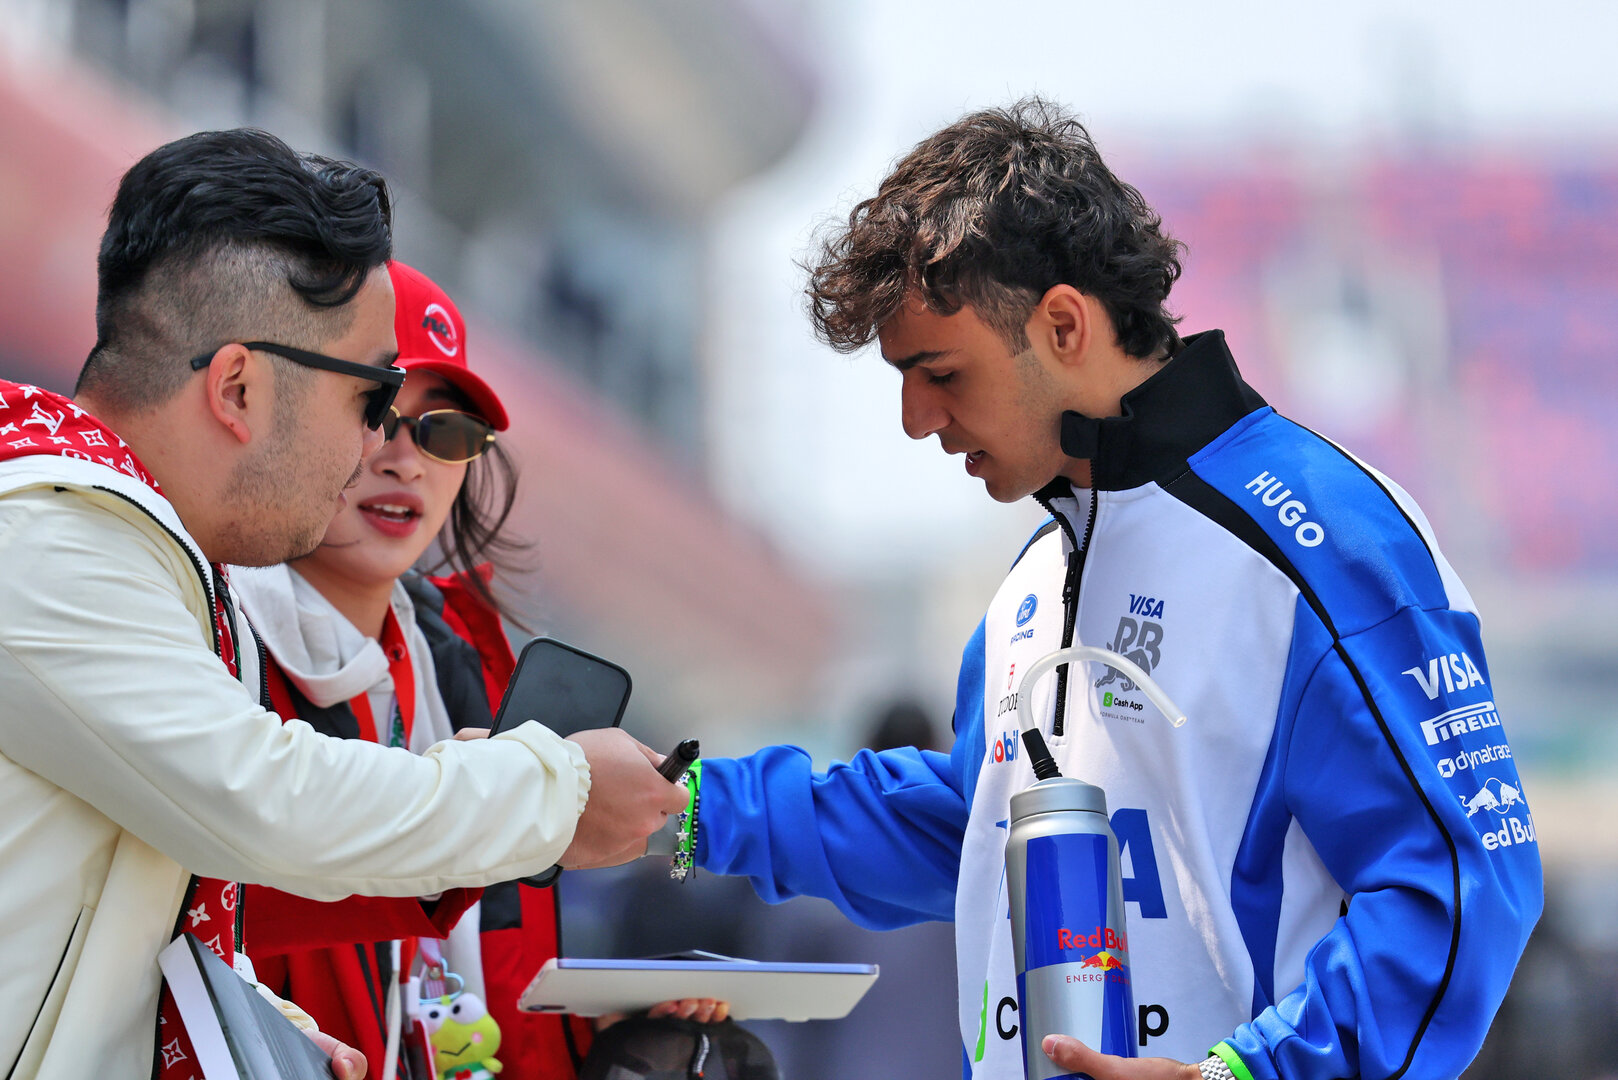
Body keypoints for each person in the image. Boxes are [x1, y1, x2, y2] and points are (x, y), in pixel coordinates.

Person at [681, 99, 1544, 1080]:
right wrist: (691, 808)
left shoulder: (1321, 536)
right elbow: (972, 830)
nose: (917, 419)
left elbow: (1464, 884)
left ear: (1060, 324)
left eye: (938, 372)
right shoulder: (1032, 580)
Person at [0, 129, 687, 1080]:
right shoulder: (51, 538)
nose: (383, 447)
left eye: (442, 428)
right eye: (371, 400)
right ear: (238, 387)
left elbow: (143, 884)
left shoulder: (130, 549)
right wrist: (555, 789)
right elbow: (267, 802)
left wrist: (252, 1020)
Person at [234, 259, 725, 1078]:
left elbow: (478, 999)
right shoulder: (213, 638)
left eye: (447, 431)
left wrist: (600, 1036)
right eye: (378, 411)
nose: (407, 460)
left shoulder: (457, 669)